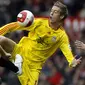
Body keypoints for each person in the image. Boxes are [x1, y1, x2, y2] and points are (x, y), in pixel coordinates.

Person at [0, 1, 82, 85]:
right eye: (52, 11)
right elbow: (14, 26)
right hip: (19, 51)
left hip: (33, 67)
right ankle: (15, 67)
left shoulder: (62, 36)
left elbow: (68, 53)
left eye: (55, 12)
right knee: (1, 40)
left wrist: (72, 62)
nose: (51, 13)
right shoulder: (39, 23)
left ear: (61, 16)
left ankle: (16, 68)